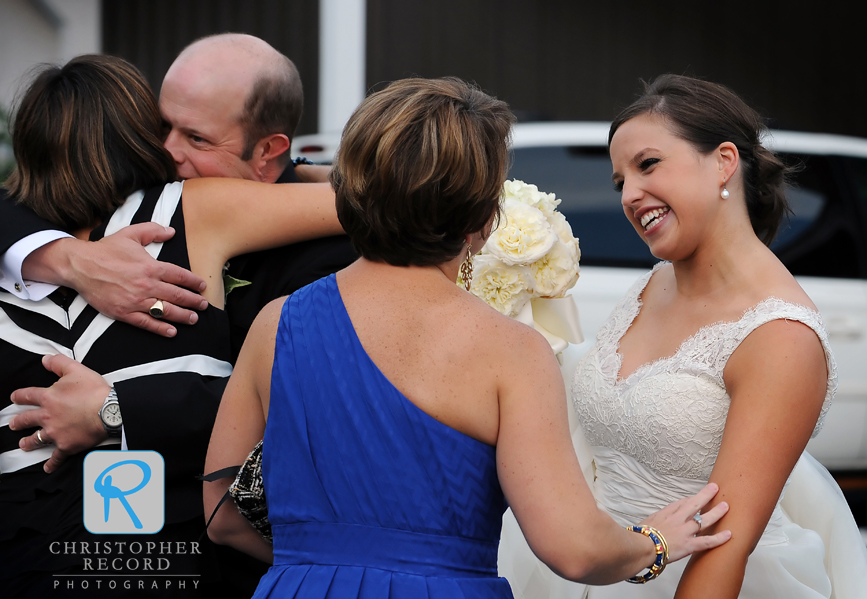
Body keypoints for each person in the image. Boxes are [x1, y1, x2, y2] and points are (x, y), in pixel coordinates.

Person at [203, 77, 732, 599]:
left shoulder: (279, 323)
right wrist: (655, 544)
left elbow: (222, 514)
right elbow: (574, 547)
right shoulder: (509, 352)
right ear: (483, 216)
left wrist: (326, 564)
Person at [0, 54, 341, 598]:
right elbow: (375, 205)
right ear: (136, 133)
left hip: (21, 555)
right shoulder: (196, 211)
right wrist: (301, 173)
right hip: (174, 548)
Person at [503, 74, 867, 599]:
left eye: (648, 165)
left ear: (723, 161)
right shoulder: (651, 285)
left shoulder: (780, 337)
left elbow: (725, 545)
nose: (630, 195)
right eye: (619, 181)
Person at [0, 33, 357, 356]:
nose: (166, 150)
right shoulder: (140, 201)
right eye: (163, 125)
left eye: (196, 137)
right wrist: (69, 259)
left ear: (268, 150)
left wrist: (116, 408)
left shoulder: (331, 259)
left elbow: (291, 401)